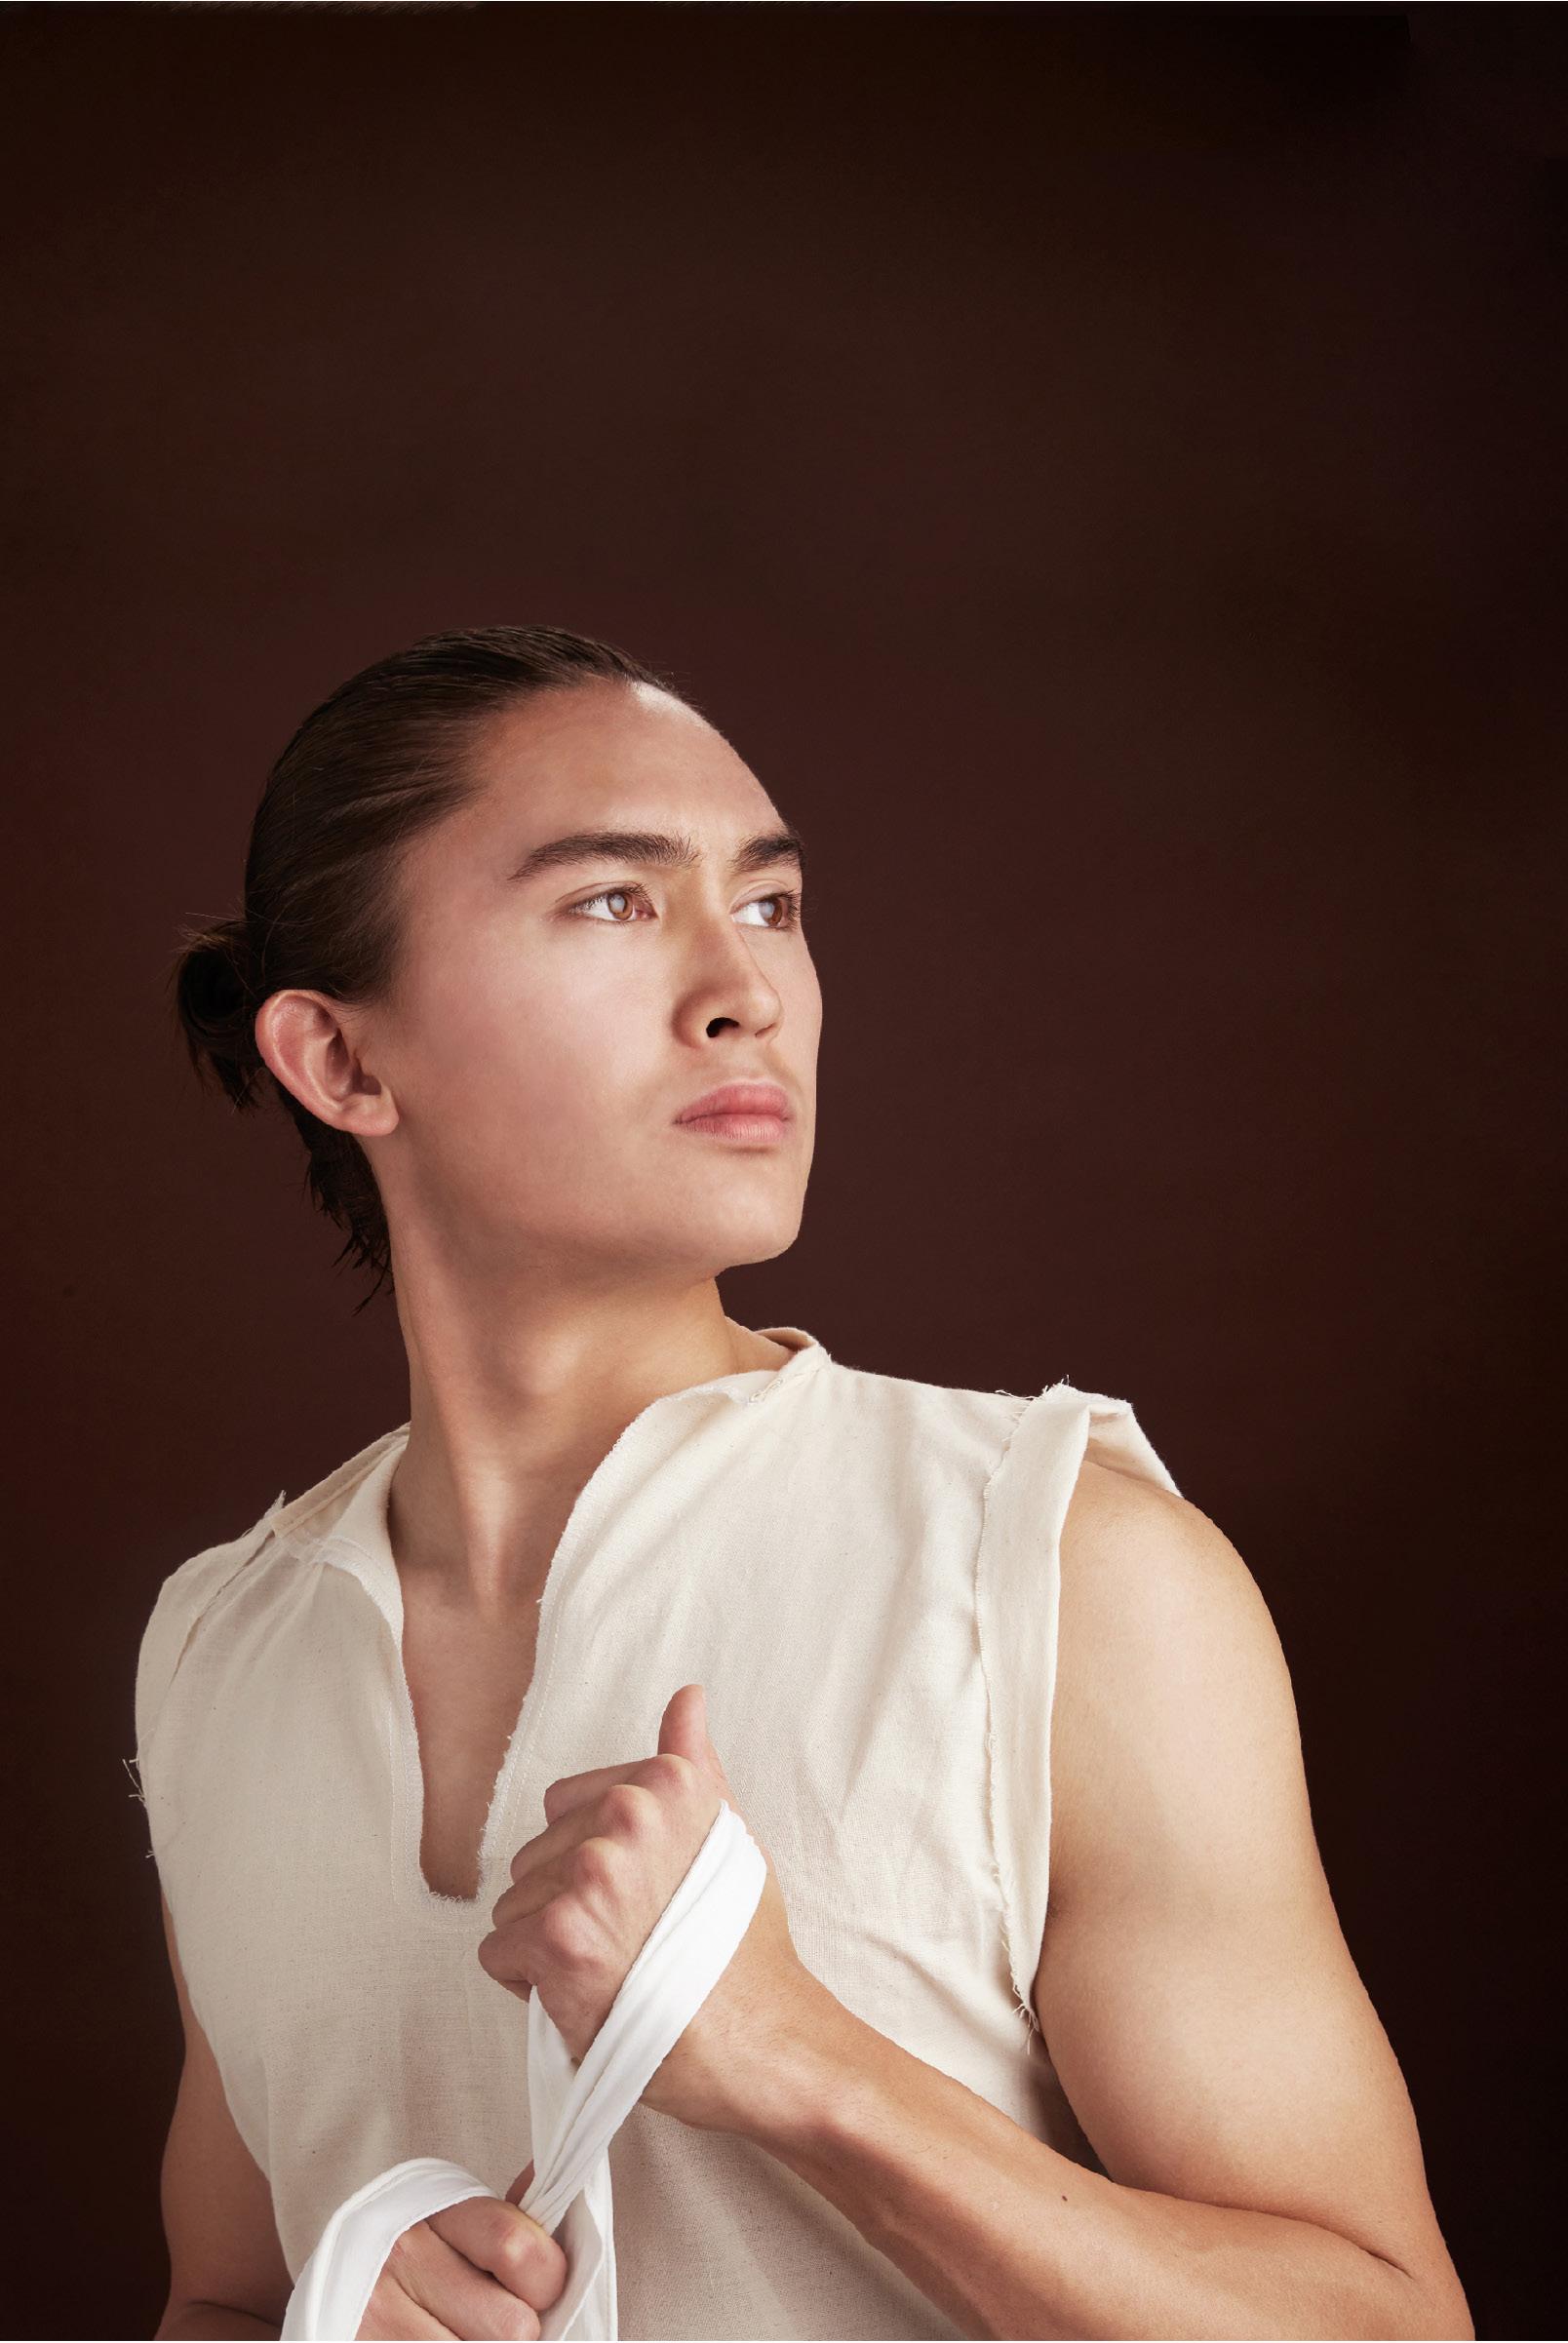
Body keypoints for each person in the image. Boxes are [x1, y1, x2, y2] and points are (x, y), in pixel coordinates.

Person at [137, 625, 1470, 2342]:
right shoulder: (217, 1650)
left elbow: (1389, 2327)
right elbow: (221, 2297)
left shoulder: (1058, 1569)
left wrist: (800, 2062)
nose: (745, 991)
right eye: (613, 901)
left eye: (769, 903)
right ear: (341, 1062)